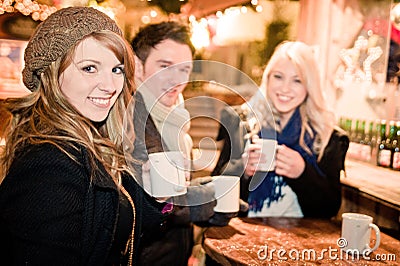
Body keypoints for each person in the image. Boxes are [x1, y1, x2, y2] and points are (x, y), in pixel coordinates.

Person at [0, 7, 167, 265]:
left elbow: (122, 219)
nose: (110, 86)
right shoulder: (50, 164)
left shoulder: (93, 140)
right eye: (89, 68)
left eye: (117, 69)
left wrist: (160, 196)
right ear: (51, 74)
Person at [130, 21, 236, 266]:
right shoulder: (128, 119)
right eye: (164, 66)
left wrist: (203, 189)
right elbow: (145, 201)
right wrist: (204, 202)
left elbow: (172, 189)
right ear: (137, 67)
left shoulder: (176, 116)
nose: (176, 80)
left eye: (184, 70)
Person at [219, 41, 349, 219]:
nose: (285, 88)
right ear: (268, 78)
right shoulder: (242, 123)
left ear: (309, 86)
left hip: (299, 242)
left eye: (297, 80)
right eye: (278, 77)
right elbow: (215, 191)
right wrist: (244, 171)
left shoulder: (326, 137)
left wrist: (302, 173)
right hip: (244, 238)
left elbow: (329, 209)